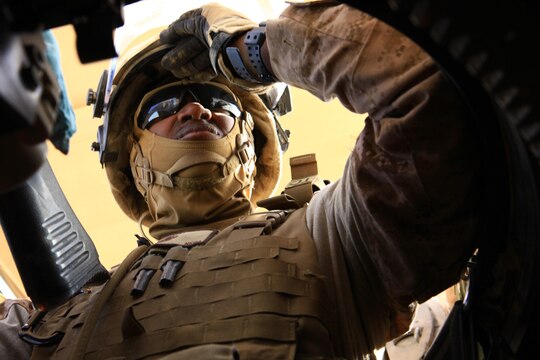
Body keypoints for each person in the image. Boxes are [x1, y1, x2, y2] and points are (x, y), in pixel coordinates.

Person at [3, 1, 480, 359]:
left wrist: (251, 50)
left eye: (221, 102)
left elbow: (420, 84)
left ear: (252, 144)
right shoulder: (52, 321)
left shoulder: (338, 240)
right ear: (133, 158)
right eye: (163, 107)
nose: (195, 109)